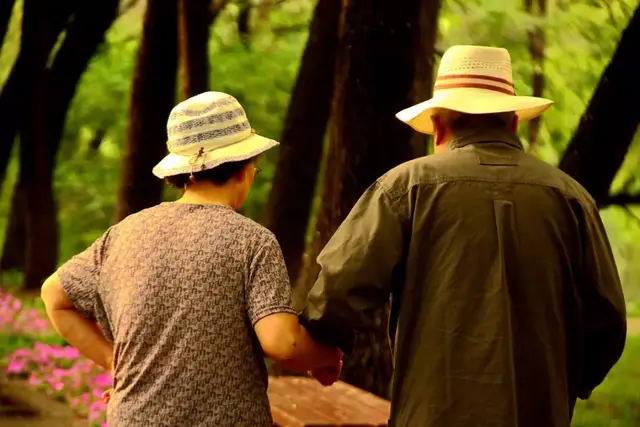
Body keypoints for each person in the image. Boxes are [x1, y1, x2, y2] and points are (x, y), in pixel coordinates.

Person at [300, 45, 627, 427]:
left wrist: (322, 344)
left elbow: (340, 287)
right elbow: (607, 320)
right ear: (513, 123)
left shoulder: (406, 188)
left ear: (438, 125)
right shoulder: (570, 198)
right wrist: (561, 383)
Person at [41, 91, 342, 427]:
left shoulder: (125, 232)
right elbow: (282, 341)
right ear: (243, 169)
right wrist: (325, 356)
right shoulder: (252, 241)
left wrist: (114, 363)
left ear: (182, 173)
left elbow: (54, 295)